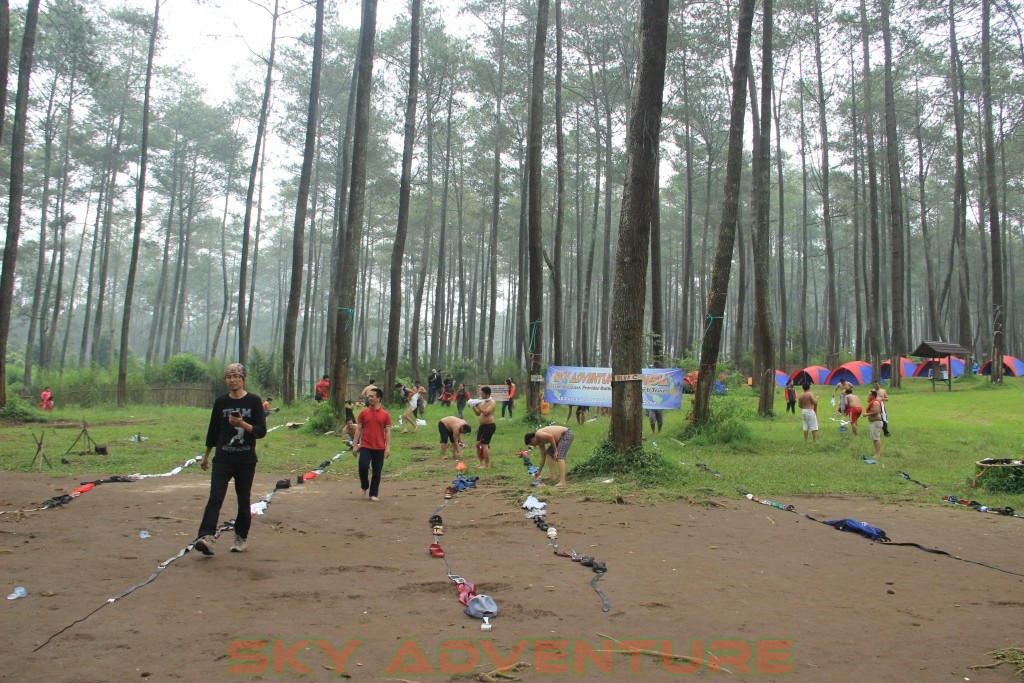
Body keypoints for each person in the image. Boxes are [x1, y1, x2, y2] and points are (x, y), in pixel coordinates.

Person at [195, 363, 267, 556]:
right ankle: (206, 537)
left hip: (245, 459)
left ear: (243, 378)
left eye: (236, 376)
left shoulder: (253, 401)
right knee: (215, 497)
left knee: (243, 500)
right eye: (228, 376)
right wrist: (206, 456)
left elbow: (261, 431)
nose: (232, 379)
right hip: (223, 459)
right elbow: (213, 431)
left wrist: (244, 424)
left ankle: (240, 537)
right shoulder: (221, 403)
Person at [354, 387, 391, 501]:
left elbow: (388, 431)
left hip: (379, 447)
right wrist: (355, 445)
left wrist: (387, 447)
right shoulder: (363, 413)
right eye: (369, 396)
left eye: (372, 396)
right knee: (363, 466)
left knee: (377, 471)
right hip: (365, 445)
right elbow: (358, 429)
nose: (369, 398)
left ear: (378, 398)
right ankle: (364, 486)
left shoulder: (385, 415)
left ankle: (373, 494)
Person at [472, 386, 496, 469]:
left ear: (487, 394)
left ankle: (487, 464)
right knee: (478, 444)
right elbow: (478, 413)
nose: (481, 394)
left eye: (482, 393)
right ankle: (481, 463)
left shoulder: (492, 402)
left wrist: (477, 405)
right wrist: (473, 406)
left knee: (484, 444)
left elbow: (486, 413)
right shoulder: (483, 402)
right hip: (482, 426)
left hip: (489, 425)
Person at [866, 389, 884, 459]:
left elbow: (876, 412)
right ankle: (876, 452)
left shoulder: (875, 402)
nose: (868, 396)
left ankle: (878, 454)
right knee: (874, 438)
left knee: (876, 438)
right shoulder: (872, 402)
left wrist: (866, 414)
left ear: (873, 396)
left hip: (876, 422)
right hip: (873, 422)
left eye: (869, 395)